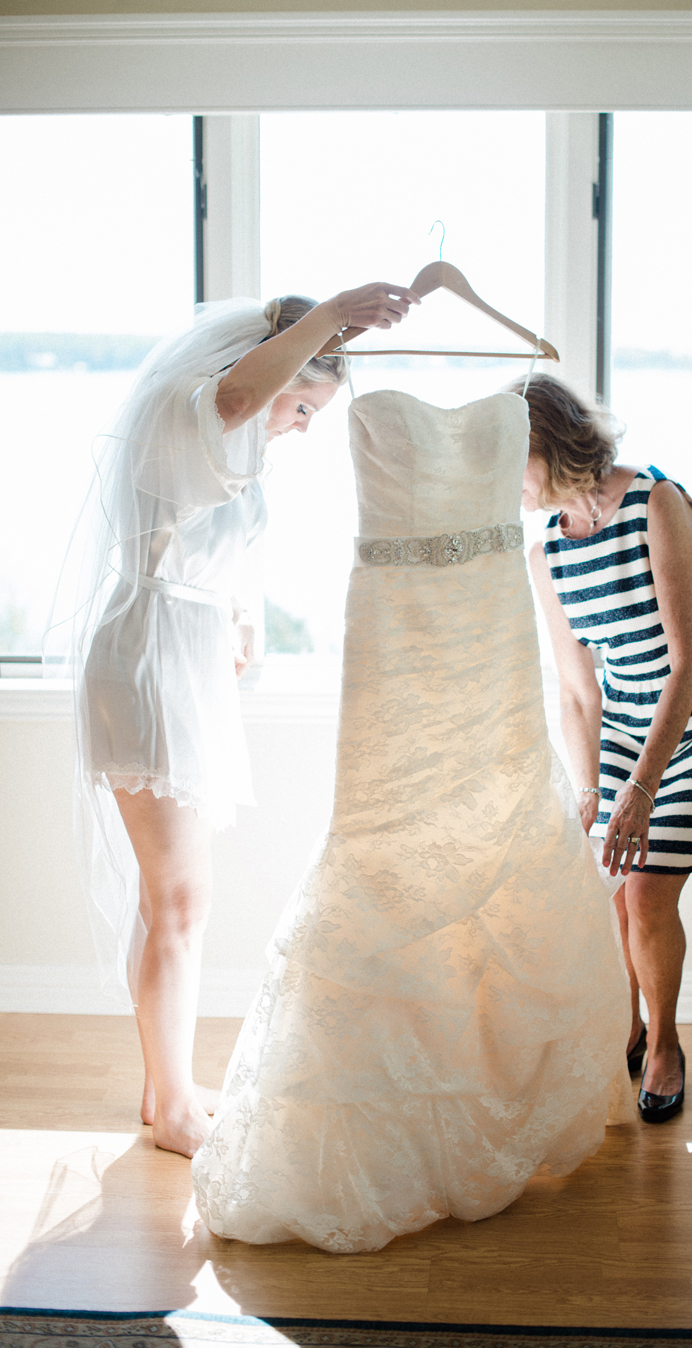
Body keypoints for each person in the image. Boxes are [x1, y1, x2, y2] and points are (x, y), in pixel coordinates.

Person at [191, 380, 632, 1251]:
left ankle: (491, 1098)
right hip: (394, 622)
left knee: (496, 832)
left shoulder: (522, 390)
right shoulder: (360, 379)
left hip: (491, 628)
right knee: (385, 833)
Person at [50, 283, 418, 1159]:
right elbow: (245, 396)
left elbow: (205, 528)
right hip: (148, 661)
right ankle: (174, 1106)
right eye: (305, 405)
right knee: (183, 898)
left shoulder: (223, 433)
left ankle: (162, 1084)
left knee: (167, 895)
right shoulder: (214, 403)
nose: (301, 424)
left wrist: (240, 607)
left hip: (178, 652)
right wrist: (335, 315)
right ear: (278, 370)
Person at [519, 373, 692, 1123]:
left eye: (512, 459)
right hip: (632, 717)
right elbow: (577, 693)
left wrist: (641, 787)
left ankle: (664, 1044)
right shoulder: (548, 555)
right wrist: (592, 787)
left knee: (647, 887)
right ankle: (625, 1027)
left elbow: (689, 658)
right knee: (611, 885)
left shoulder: (655, 501)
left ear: (549, 443)